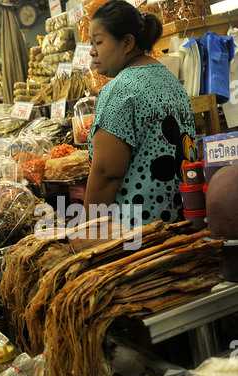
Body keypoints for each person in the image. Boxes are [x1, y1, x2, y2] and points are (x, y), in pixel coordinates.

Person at [82, 0, 197, 230]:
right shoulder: (169, 79)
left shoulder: (120, 90)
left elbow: (106, 173)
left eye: (99, 42)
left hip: (138, 236)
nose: (92, 51)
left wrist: (88, 229)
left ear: (127, 43)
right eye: (91, 43)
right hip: (182, 224)